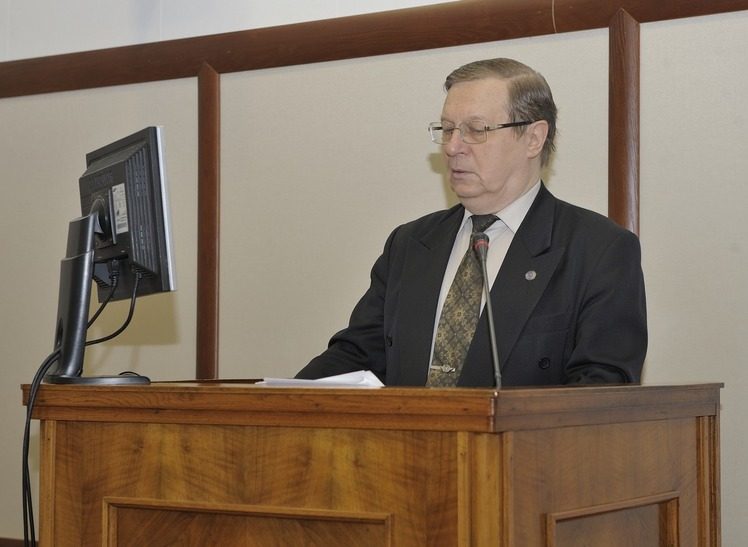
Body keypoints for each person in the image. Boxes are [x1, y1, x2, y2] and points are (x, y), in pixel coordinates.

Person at [296, 58, 647, 387]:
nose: (452, 147)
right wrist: (280, 398)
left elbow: (602, 387)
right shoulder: (410, 243)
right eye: (447, 129)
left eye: (476, 130)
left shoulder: (599, 250)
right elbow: (357, 357)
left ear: (533, 138)